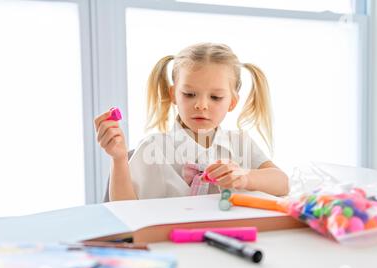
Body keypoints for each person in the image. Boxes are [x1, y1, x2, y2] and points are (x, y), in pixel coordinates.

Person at [94, 43, 289, 201]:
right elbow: (124, 209)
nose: (201, 105)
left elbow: (282, 183)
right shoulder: (153, 147)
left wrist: (246, 177)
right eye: (189, 94)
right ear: (174, 95)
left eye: (215, 97)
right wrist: (118, 159)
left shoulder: (240, 142)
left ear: (232, 102)